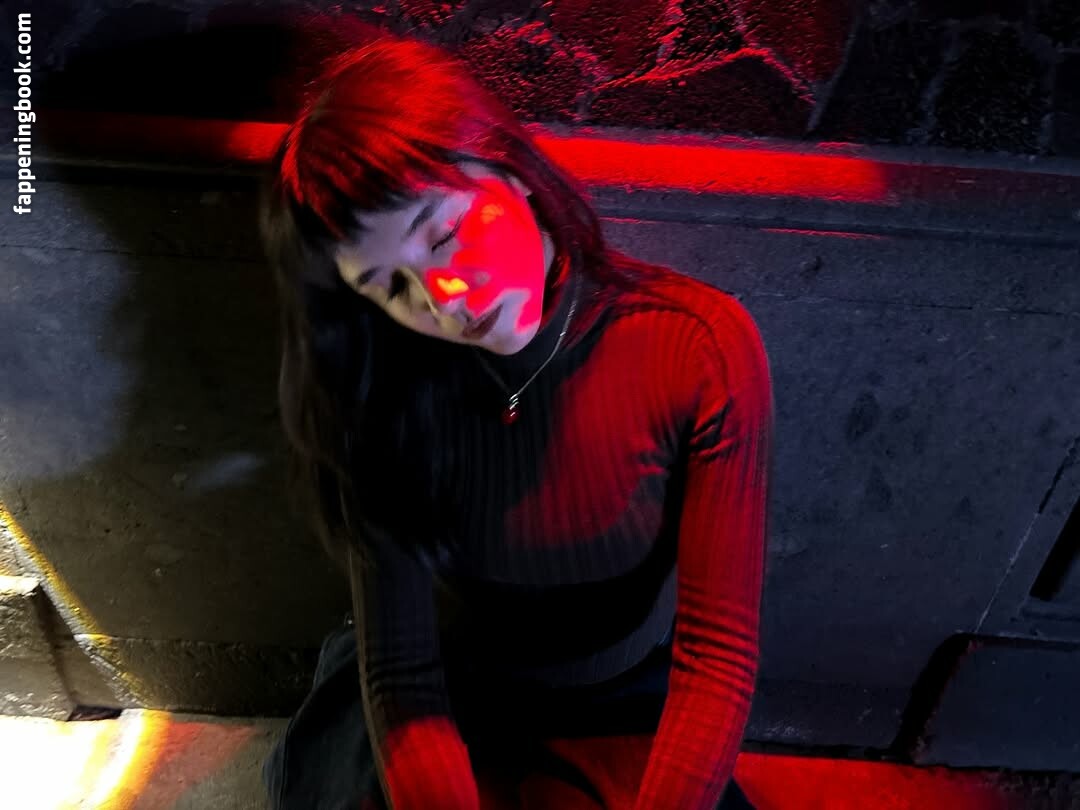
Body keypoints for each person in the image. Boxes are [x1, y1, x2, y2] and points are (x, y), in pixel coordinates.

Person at [259, 29, 773, 810]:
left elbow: (718, 655)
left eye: (447, 233)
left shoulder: (697, 346)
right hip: (442, 691)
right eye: (391, 286)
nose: (446, 300)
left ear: (512, 172)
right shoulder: (375, 385)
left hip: (623, 698)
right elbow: (401, 672)